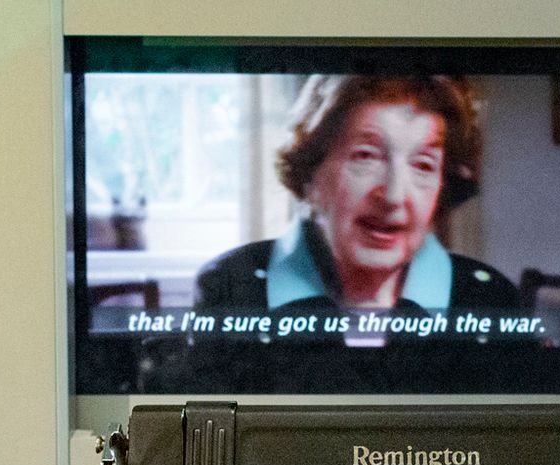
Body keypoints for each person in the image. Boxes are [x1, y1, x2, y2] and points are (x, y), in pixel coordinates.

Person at [193, 73, 520, 329]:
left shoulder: (488, 297)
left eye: (423, 165)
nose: (394, 196)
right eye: (366, 156)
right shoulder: (232, 288)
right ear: (311, 175)